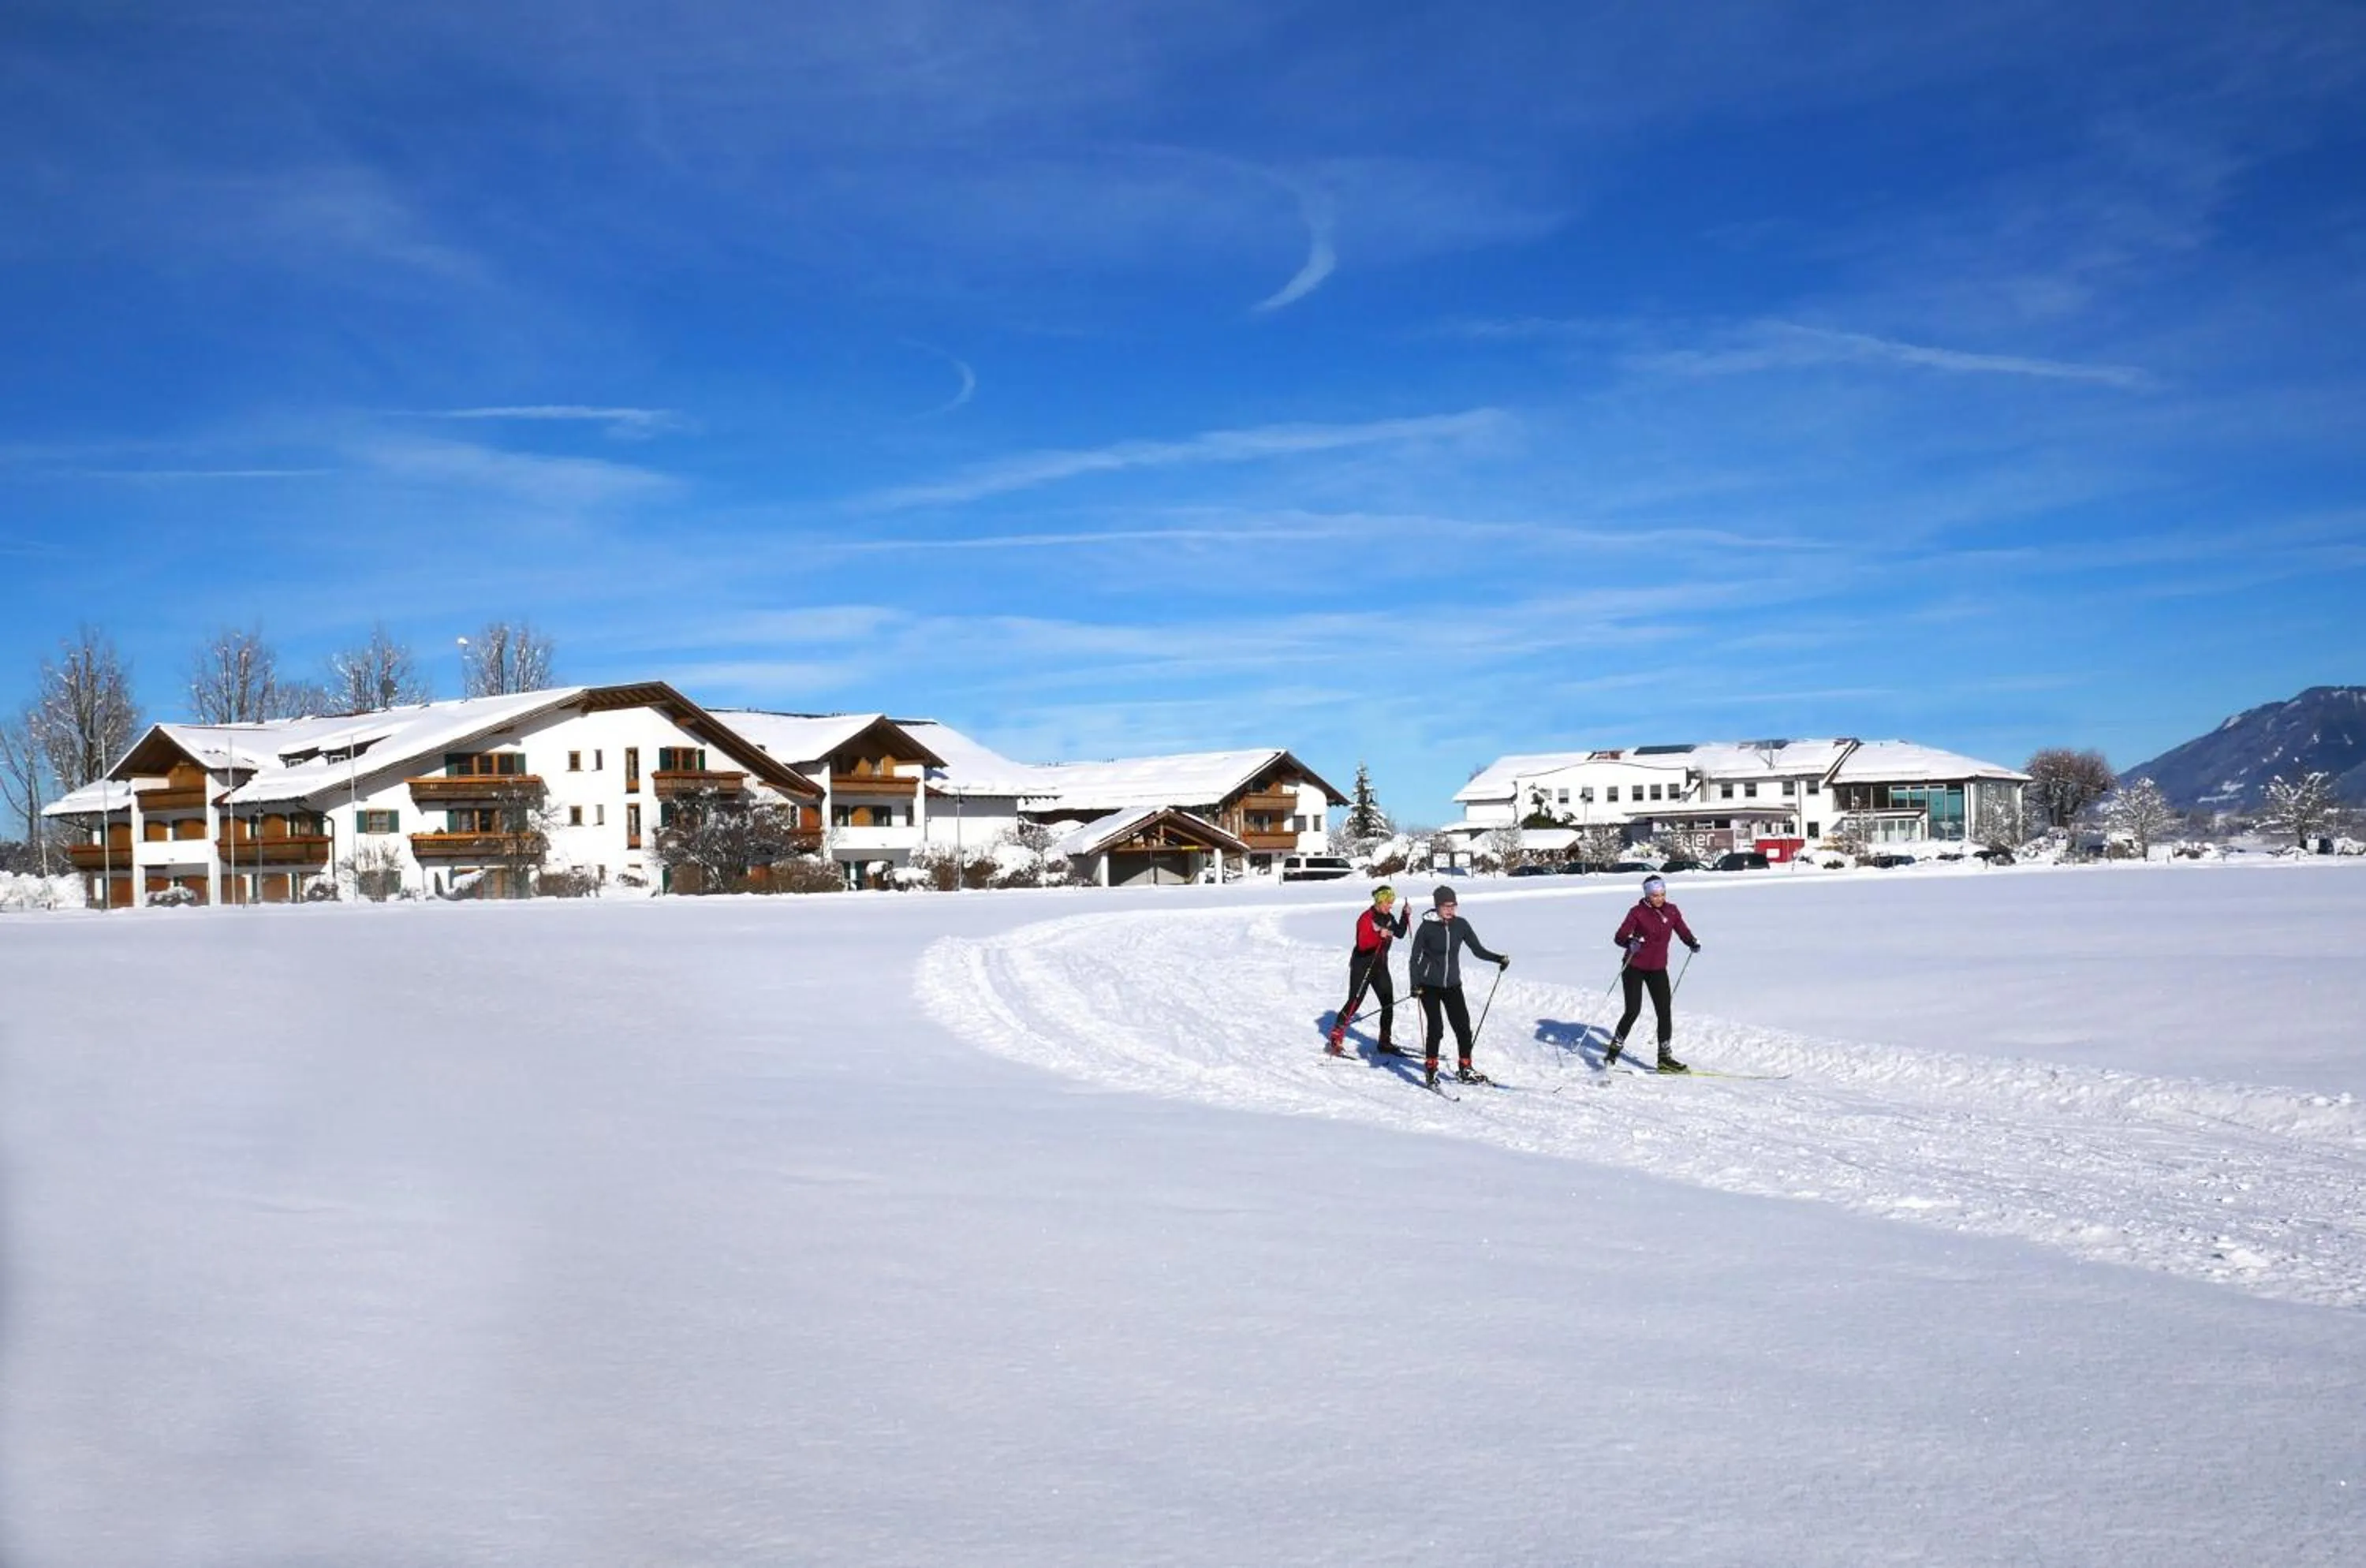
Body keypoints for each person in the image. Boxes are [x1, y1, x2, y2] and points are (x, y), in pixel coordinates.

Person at [1406, 884, 1510, 1086]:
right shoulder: (1427, 927)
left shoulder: (1461, 925)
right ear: (1437, 906)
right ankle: (1431, 1069)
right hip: (1429, 986)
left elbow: (1477, 950)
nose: (1450, 909)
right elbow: (1414, 958)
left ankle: (1465, 1067)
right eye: (1446, 906)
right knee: (1436, 1028)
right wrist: (1414, 984)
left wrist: (1498, 959)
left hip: (1453, 985)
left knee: (1463, 1027)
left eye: (1453, 905)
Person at [1607, 873, 1700, 1073]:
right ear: (1647, 895)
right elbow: (1619, 936)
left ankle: (1664, 1058)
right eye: (1655, 895)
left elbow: (1682, 930)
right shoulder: (1637, 912)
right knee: (1633, 1011)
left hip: (1658, 968)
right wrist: (1630, 942)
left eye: (1662, 894)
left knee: (1664, 1011)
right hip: (1634, 967)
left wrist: (1691, 941)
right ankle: (1613, 1051)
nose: (1659, 898)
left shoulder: (1672, 911)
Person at [1328, 885, 1409, 1056]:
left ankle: (1384, 1041)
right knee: (1355, 1001)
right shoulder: (1366, 918)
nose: (1390, 906)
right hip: (1362, 964)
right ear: (1379, 901)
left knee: (1388, 1003)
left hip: (1380, 966)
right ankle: (1336, 1037)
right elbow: (1363, 944)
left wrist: (1405, 915)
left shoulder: (1388, 918)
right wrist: (1378, 935)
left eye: (1391, 903)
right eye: (1387, 902)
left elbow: (1400, 933)